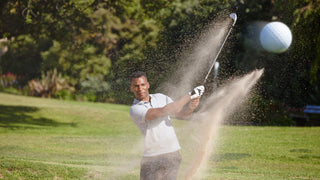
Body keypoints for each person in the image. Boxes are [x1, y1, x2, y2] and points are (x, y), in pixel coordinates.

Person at [129, 71, 205, 180]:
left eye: (142, 85)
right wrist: (190, 95)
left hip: (172, 154)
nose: (140, 88)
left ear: (148, 85)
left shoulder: (161, 97)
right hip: (150, 157)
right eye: (136, 86)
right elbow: (164, 111)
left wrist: (191, 108)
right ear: (131, 88)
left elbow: (181, 114)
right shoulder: (135, 109)